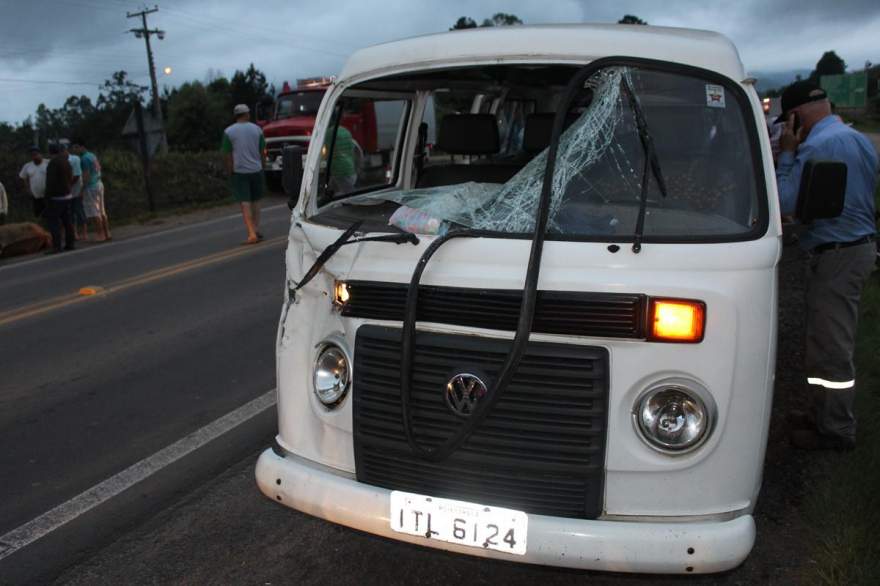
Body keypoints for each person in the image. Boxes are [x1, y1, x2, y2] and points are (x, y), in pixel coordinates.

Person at [775, 80, 878, 450]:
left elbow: (786, 202)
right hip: (852, 248)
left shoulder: (819, 145)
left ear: (795, 117)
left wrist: (787, 153)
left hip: (837, 254)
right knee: (822, 340)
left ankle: (835, 431)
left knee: (831, 347)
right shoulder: (856, 139)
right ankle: (821, 415)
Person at [221, 104, 266, 244]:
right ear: (247, 114)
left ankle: (251, 233)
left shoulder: (229, 132)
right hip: (256, 169)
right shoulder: (257, 130)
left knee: (245, 203)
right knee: (256, 201)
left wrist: (229, 171)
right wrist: (262, 166)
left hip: (239, 171)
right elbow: (263, 151)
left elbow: (227, 154)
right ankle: (256, 229)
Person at [72, 138, 111, 242]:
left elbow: (86, 176)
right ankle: (107, 233)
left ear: (81, 147)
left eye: (76, 148)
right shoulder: (92, 155)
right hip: (99, 183)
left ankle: (100, 234)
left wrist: (81, 190)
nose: (75, 150)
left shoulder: (84, 159)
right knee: (102, 210)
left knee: (94, 212)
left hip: (91, 187)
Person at [43, 143, 76, 253]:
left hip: (56, 197)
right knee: (68, 221)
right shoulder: (66, 162)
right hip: (68, 195)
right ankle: (70, 243)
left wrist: (47, 195)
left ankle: (56, 246)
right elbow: (71, 177)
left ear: (50, 152)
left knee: (53, 222)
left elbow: (50, 182)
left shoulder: (53, 163)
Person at [63, 143, 87, 240]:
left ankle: (85, 233)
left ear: (66, 150)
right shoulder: (61, 160)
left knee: (79, 211)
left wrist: (67, 186)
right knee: (71, 214)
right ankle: (75, 233)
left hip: (76, 190)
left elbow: (77, 176)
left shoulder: (75, 159)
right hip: (68, 192)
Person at [18, 146, 48, 217]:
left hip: (47, 195)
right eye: (32, 155)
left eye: (36, 154)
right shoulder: (27, 166)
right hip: (35, 196)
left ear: (41, 154)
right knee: (37, 214)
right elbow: (22, 177)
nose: (35, 157)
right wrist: (28, 189)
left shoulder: (48, 163)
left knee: (48, 214)